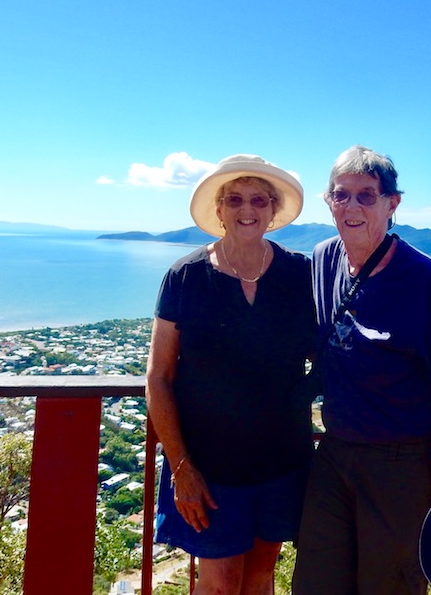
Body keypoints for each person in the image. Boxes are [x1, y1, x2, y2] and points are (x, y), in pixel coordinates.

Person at [292, 145, 431, 595]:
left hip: (400, 463)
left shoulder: (420, 276)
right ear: (328, 202)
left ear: (392, 204)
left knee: (388, 584)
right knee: (315, 582)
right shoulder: (322, 259)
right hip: (335, 453)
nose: (352, 206)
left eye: (366, 196)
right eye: (341, 195)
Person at [146, 155, 316, 595]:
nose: (248, 209)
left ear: (273, 210)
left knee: (261, 574)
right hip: (209, 466)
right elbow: (159, 377)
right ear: (219, 211)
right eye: (235, 199)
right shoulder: (185, 277)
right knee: (220, 583)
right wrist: (182, 467)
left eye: (259, 199)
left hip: (282, 459)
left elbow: (331, 351)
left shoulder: (299, 274)